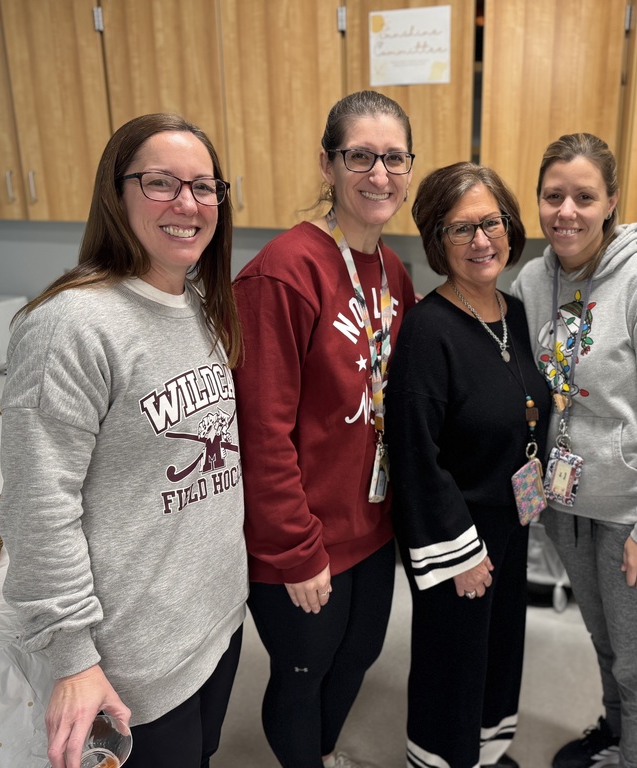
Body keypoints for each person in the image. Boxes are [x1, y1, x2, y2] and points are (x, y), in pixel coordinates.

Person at [0, 113, 246, 768]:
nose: (188, 204)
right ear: (117, 192)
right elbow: (37, 511)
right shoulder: (71, 325)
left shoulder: (197, 303)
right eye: (161, 183)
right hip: (132, 661)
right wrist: (73, 658)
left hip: (214, 624)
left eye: (204, 186)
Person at [231, 90, 416, 768]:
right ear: (327, 165)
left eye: (393, 157)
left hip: (371, 522)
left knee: (359, 655)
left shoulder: (392, 270)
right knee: (303, 672)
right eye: (360, 155)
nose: (379, 174)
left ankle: (325, 755)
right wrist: (295, 546)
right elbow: (260, 429)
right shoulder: (284, 272)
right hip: (304, 535)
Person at [511, 133, 637, 768]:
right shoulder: (534, 281)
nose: (567, 211)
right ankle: (616, 738)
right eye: (553, 195)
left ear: (611, 200)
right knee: (606, 644)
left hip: (633, 518)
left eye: (584, 197)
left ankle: (635, 758)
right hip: (568, 509)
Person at [385, 162, 549, 768]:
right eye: (461, 229)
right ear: (437, 240)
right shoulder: (429, 331)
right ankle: (441, 758)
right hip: (459, 535)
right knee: (451, 661)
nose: (482, 241)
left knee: (499, 649)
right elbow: (415, 455)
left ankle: (484, 750)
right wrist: (460, 549)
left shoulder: (515, 312)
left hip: (509, 524)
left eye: (492, 222)